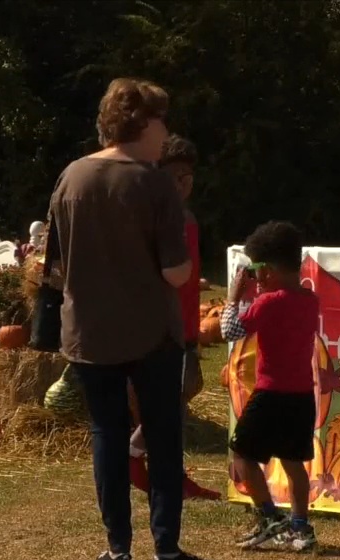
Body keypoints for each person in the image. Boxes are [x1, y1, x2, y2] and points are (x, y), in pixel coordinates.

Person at [46, 78, 218, 560]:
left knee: (107, 433)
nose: (167, 132)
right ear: (140, 123)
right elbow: (177, 273)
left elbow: (53, 267)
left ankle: (117, 550)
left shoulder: (70, 177)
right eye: (162, 120)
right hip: (151, 334)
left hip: (88, 332)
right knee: (162, 438)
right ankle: (167, 551)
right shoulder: (154, 182)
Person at [128, 134, 220, 501]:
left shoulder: (188, 218)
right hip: (158, 327)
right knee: (168, 405)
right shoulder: (148, 218)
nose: (184, 183)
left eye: (188, 175)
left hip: (185, 326)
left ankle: (171, 475)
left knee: (180, 401)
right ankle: (134, 455)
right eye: (175, 175)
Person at [220, 221, 321, 552]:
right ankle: (300, 527)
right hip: (302, 396)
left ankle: (268, 517)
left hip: (270, 393)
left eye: (257, 269)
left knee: (243, 453)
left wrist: (235, 297)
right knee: (294, 465)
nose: (255, 276)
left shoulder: (268, 303)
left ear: (268, 271)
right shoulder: (310, 300)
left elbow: (230, 331)